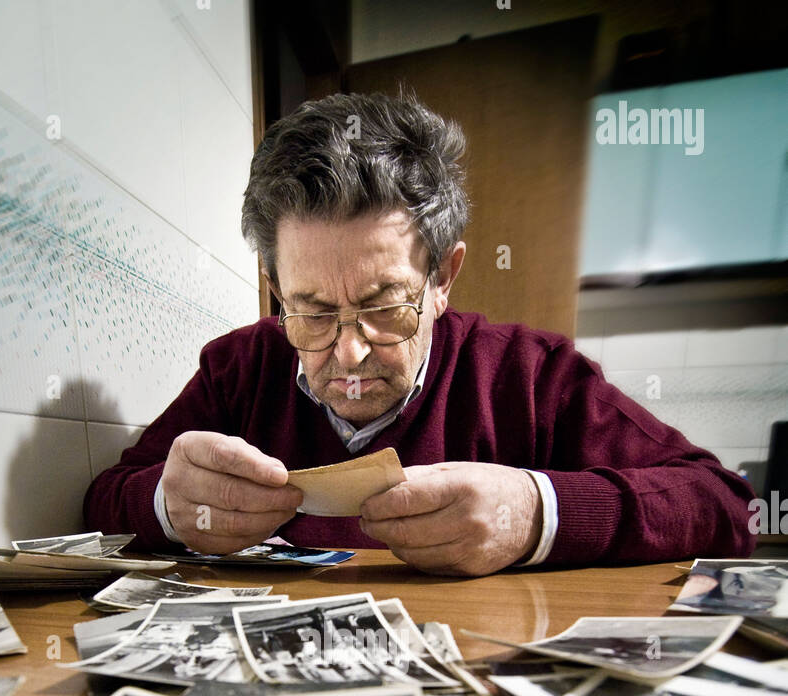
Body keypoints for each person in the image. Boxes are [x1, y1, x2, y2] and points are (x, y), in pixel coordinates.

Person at [84, 92, 755, 577]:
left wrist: (534, 513)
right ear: (277, 288)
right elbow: (104, 500)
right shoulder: (238, 368)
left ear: (443, 278)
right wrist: (168, 506)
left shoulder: (528, 372)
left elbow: (726, 505)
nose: (347, 354)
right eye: (311, 310)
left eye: (385, 305)